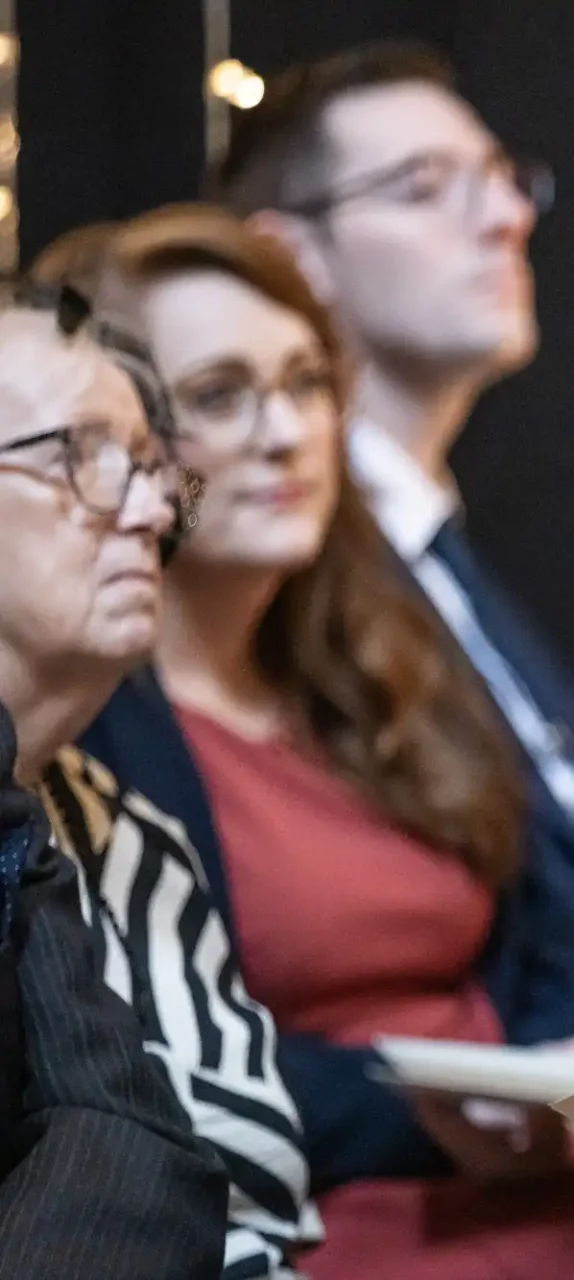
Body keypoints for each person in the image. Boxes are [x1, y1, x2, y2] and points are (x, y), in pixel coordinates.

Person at [39, 205, 574, 1278]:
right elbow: (149, 1072)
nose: (284, 431)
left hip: (567, 1183)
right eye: (220, 396)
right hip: (337, 1215)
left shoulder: (381, 653)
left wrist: (562, 1062)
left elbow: (547, 924)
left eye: (306, 384)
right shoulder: (91, 715)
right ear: (116, 443)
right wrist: (422, 1107)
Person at [211, 41, 574, 991]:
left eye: (501, 180)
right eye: (421, 187)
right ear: (291, 258)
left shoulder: (446, 556)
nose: (504, 216)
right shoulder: (274, 574)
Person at [0, 291, 229, 1276]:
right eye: (81, 455)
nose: (150, 512)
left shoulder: (133, 834)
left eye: (149, 467)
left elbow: (171, 1147)